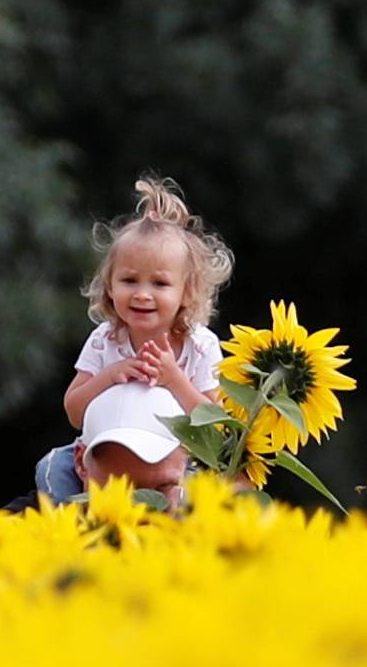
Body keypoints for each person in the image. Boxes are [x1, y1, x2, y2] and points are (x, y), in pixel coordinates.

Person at [35, 178, 232, 507]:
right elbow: (74, 411)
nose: (142, 294)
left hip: (171, 462)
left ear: (186, 292)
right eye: (129, 280)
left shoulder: (200, 345)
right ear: (109, 286)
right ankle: (76, 525)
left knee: (202, 491)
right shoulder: (105, 339)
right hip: (104, 456)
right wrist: (109, 376)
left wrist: (174, 379)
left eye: (159, 283)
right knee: (52, 469)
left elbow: (216, 426)